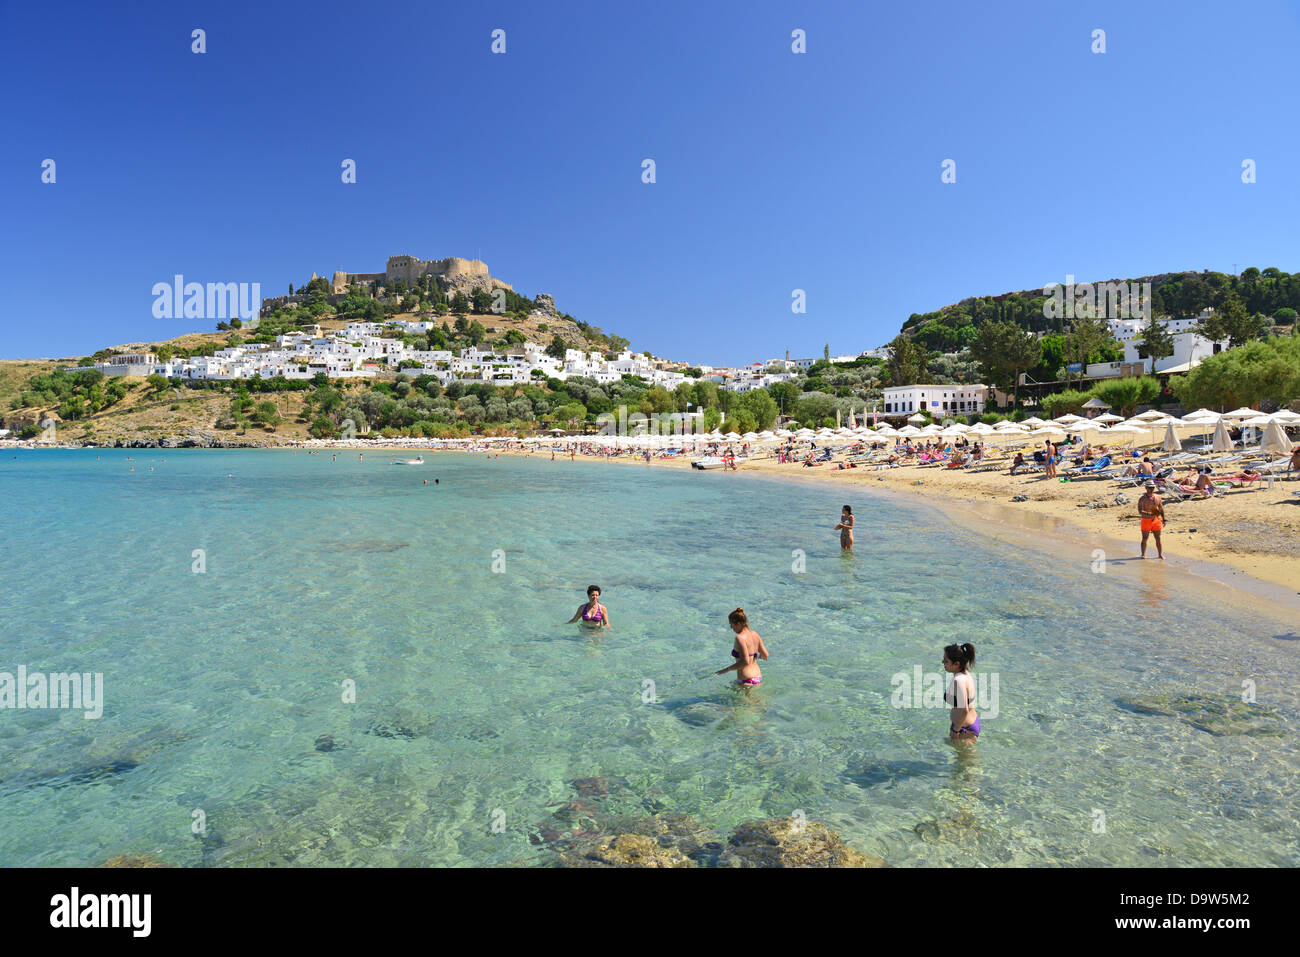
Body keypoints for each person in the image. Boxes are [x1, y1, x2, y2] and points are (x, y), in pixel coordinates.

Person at [715, 607, 768, 687]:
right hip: (757, 676)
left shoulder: (740, 638)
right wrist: (757, 656)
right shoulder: (755, 634)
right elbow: (765, 654)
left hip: (746, 679)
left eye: (731, 625)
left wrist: (726, 669)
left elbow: (745, 662)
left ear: (739, 624)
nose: (731, 628)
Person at [943, 643, 979, 742]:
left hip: (964, 729)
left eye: (946, 661)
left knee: (965, 758)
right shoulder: (965, 674)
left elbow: (964, 710)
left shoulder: (959, 680)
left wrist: (955, 731)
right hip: (966, 724)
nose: (942, 662)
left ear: (957, 664)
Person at [1138, 481, 1165, 559]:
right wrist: (1148, 514)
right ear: (1146, 488)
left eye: (1152, 487)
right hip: (1146, 520)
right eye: (1149, 487)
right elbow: (1140, 511)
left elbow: (1161, 508)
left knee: (1158, 538)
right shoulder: (1142, 498)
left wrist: (1164, 519)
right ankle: (1143, 554)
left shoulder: (1158, 497)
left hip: (1156, 520)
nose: (1151, 489)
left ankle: (1160, 555)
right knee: (1145, 538)